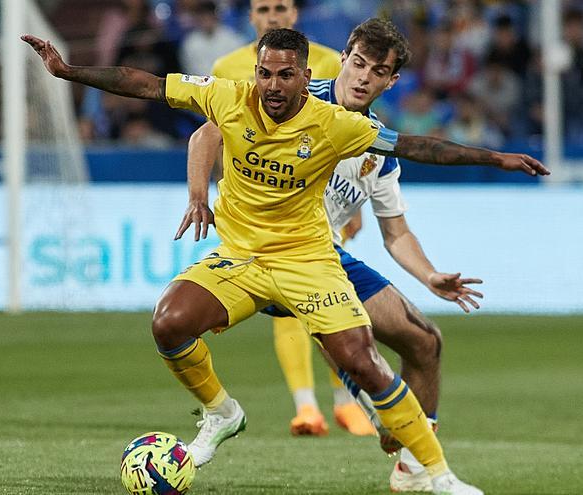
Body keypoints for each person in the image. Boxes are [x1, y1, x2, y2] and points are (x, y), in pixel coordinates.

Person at [23, 27, 548, 495]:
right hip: (242, 257)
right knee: (169, 322)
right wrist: (69, 73)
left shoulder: (341, 127)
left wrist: (494, 157)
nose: (273, 86)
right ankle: (223, 413)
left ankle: (435, 474)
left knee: (386, 352)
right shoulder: (230, 97)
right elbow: (146, 84)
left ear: (304, 77)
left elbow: (415, 147)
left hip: (309, 259)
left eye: (285, 76)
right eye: (265, 74)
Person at [176, 18, 483, 492]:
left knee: (426, 343)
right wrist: (201, 194)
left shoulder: (378, 145)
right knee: (342, 336)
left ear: (390, 80)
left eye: (377, 71)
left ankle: (411, 463)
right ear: (343, 59)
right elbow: (207, 134)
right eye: (358, 63)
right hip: (276, 253)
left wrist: (430, 276)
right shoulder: (292, 91)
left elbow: (396, 232)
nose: (364, 77)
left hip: (329, 255)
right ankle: (375, 413)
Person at [204, 0, 372, 439]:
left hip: (318, 204)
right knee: (286, 312)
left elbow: (350, 135)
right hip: (252, 207)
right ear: (252, 18)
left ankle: (344, 401)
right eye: (263, 8)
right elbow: (213, 134)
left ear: (294, 14)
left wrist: (353, 205)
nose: (272, 15)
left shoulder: (327, 60)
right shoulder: (227, 66)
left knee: (328, 305)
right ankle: (306, 406)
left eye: (281, 6)